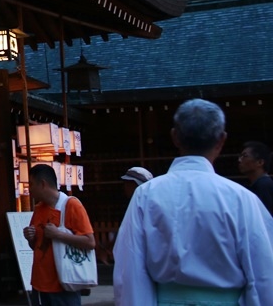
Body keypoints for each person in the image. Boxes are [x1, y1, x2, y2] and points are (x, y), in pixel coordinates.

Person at [114, 99, 273, 305]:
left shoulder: (146, 195)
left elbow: (130, 270)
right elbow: (263, 275)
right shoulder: (241, 199)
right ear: (221, 140)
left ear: (175, 137)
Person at [22, 164, 95, 306]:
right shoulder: (38, 209)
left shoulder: (72, 205)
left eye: (31, 184)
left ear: (42, 184)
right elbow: (36, 246)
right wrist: (30, 237)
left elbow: (90, 242)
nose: (29, 189)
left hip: (64, 282)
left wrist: (58, 234)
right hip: (39, 282)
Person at [238, 140, 273, 216]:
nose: (240, 160)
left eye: (244, 156)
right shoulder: (259, 184)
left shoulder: (263, 185)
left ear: (260, 162)